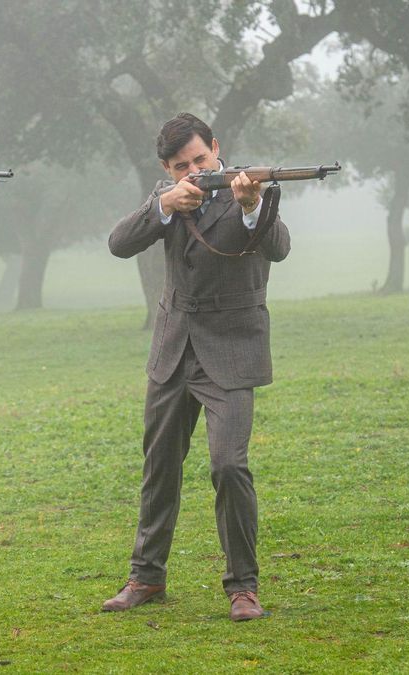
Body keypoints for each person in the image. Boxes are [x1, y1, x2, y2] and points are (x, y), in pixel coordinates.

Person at [103, 112, 290, 622]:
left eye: (200, 160)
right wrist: (164, 205)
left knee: (229, 466)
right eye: (181, 166)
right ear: (167, 169)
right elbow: (119, 243)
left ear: (216, 147)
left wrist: (250, 206)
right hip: (173, 348)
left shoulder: (248, 190)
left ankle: (243, 587)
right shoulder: (167, 196)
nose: (194, 170)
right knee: (160, 465)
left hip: (231, 351)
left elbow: (279, 247)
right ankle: (146, 577)